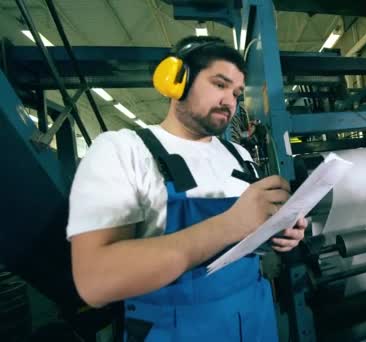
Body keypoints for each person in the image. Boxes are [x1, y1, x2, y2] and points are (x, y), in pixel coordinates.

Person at [66, 36, 307, 341]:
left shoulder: (239, 156)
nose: (230, 101)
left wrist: (276, 233)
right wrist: (233, 222)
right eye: (219, 84)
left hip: (256, 319)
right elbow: (95, 282)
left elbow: (246, 240)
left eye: (236, 93)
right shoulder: (123, 150)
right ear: (175, 80)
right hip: (177, 329)